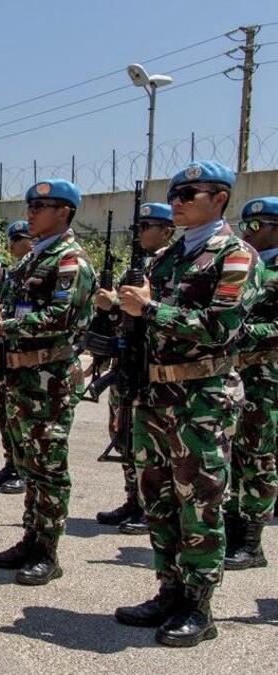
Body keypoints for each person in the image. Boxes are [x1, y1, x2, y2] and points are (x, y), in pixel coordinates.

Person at [113, 160, 257, 646]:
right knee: (158, 497)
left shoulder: (235, 256)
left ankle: (199, 606)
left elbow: (222, 327)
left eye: (189, 192)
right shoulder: (167, 257)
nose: (177, 200)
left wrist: (151, 308)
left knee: (200, 500)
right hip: (157, 394)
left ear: (219, 199)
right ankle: (169, 589)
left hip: (201, 397)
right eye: (174, 193)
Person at [0, 179, 94, 586]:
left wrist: (4, 326)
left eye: (41, 205)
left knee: (49, 467)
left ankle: (48, 551)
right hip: (20, 375)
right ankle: (31, 538)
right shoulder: (30, 260)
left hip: (49, 379)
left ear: (65, 212)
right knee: (29, 463)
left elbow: (61, 318)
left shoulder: (69, 261)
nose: (31, 211)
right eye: (30, 204)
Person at [93, 203, 175, 536]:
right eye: (138, 226)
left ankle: (150, 506)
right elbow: (124, 322)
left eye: (148, 226)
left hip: (153, 366)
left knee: (154, 445)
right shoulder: (139, 270)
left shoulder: (171, 268)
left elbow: (164, 314)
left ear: (167, 231)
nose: (140, 233)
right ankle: (133, 500)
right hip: (127, 362)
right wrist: (110, 308)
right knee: (124, 433)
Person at [224, 195, 278, 571]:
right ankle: (232, 523)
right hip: (239, 372)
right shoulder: (247, 267)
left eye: (256, 226)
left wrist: (245, 331)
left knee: (258, 457)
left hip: (267, 377)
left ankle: (252, 540)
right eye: (246, 225)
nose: (248, 233)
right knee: (234, 454)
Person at [0, 220, 33, 494]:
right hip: (7, 352)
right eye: (12, 240)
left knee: (23, 418)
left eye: (18, 239)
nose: (13, 244)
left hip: (27, 353)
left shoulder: (33, 270)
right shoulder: (12, 272)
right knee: (6, 414)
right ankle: (11, 464)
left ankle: (24, 471)